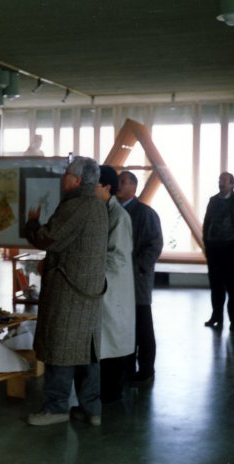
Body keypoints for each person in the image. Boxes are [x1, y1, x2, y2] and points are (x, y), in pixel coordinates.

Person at [25, 156, 108, 426]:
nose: (62, 179)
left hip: (69, 291)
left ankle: (56, 407)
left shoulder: (77, 206)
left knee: (60, 348)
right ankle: (91, 409)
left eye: (66, 174)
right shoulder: (96, 205)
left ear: (76, 180)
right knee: (87, 351)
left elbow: (48, 238)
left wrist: (33, 223)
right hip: (87, 291)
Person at [116, 171, 163, 383]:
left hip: (137, 279)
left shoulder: (145, 213)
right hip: (118, 279)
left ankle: (146, 369)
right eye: (118, 181)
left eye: (123, 182)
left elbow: (154, 245)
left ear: (134, 187)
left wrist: (137, 267)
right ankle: (125, 367)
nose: (119, 184)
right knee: (124, 325)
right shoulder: (113, 211)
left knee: (143, 325)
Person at [95, 165, 136, 403]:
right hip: (103, 286)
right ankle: (105, 391)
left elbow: (118, 257)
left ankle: (112, 394)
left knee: (113, 341)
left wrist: (89, 264)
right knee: (106, 341)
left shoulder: (119, 216)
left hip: (112, 286)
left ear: (107, 187)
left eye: (95, 186)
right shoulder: (102, 211)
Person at [202, 172, 234, 331]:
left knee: (232, 286)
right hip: (214, 249)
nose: (220, 183)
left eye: (224, 181)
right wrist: (206, 242)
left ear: (232, 184)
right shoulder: (213, 201)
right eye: (219, 180)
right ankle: (216, 316)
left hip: (230, 249)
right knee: (216, 285)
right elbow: (207, 222)